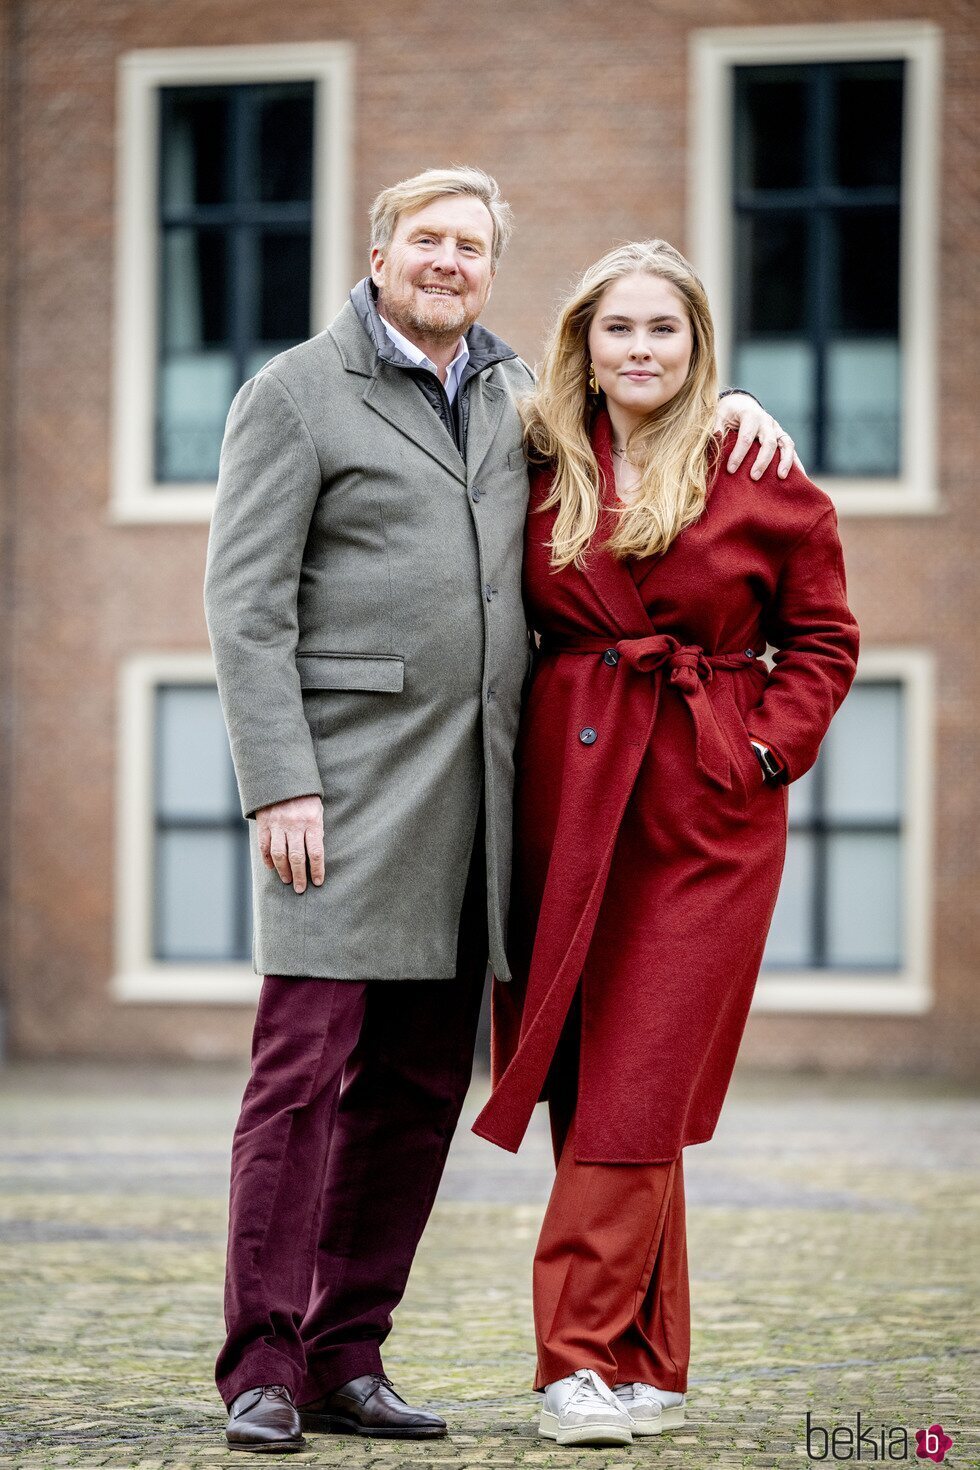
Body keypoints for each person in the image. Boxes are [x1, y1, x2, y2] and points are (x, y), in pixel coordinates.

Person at [204, 166, 796, 1453]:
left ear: (490, 266)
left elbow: (633, 413)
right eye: (427, 239)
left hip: (481, 812)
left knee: (415, 1094)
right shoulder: (294, 395)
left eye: (471, 246)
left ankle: (347, 1355)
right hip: (340, 800)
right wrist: (279, 781)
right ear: (380, 249)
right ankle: (261, 1363)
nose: (449, 262)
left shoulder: (520, 398)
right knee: (298, 1084)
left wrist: (732, 402)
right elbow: (245, 609)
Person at [472, 239, 860, 1448]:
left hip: (702, 813)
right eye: (617, 329)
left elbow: (823, 643)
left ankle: (569, 1363)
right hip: (565, 803)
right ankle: (647, 1359)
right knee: (592, 1079)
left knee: (642, 1075)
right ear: (582, 342)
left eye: (664, 331)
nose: (639, 350)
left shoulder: (759, 472)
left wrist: (759, 751)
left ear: (698, 348)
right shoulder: (531, 458)